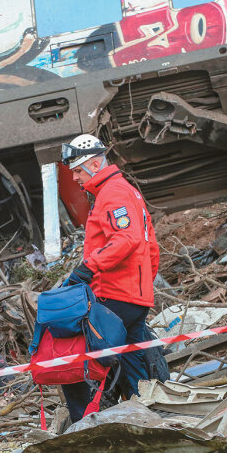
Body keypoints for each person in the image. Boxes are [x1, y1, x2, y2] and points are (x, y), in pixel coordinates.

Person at [60, 133, 160, 417]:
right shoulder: (124, 191)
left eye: (78, 170)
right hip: (132, 295)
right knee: (133, 363)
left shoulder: (113, 193)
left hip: (115, 294)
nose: (76, 178)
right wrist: (143, 287)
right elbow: (150, 246)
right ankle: (146, 413)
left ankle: (85, 420)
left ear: (94, 163)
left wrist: (87, 269)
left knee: (83, 360)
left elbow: (126, 239)